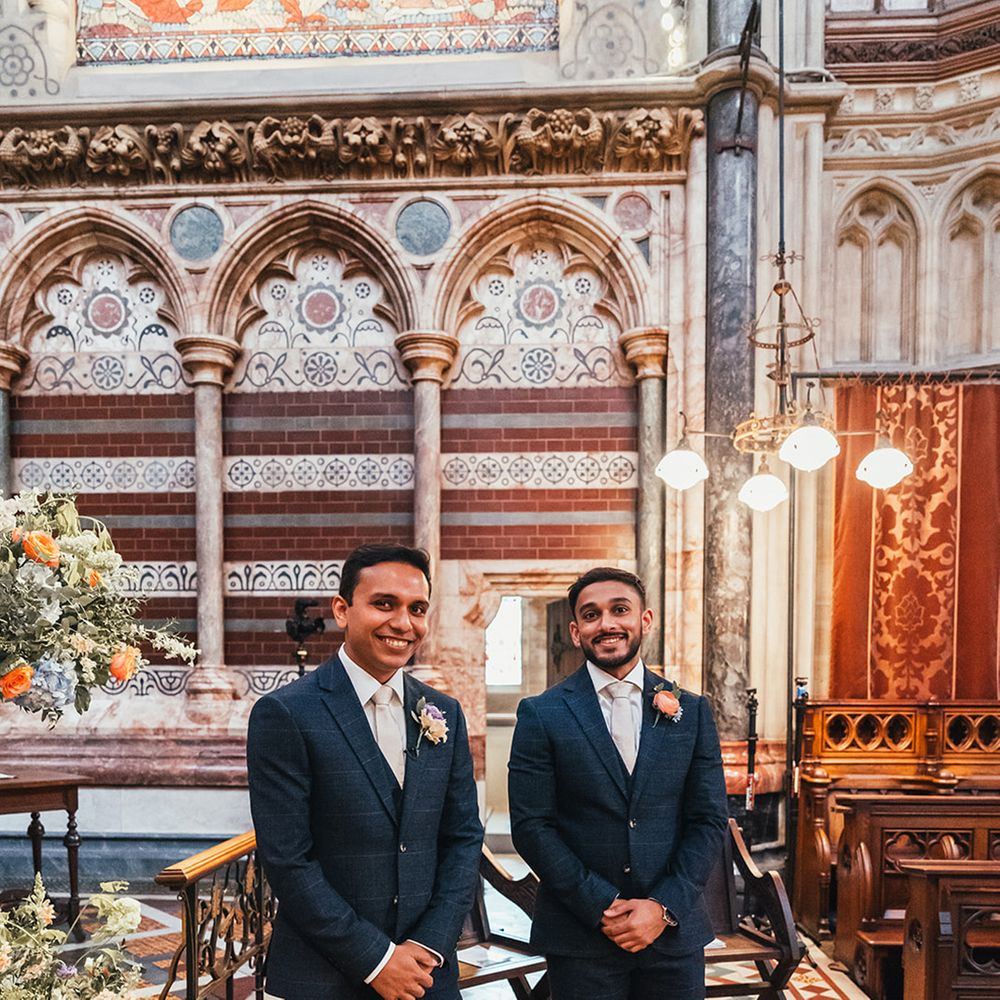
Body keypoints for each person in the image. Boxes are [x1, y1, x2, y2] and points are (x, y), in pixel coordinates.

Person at [247, 543, 484, 1000]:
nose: (403, 623)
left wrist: (428, 945)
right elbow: (289, 861)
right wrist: (376, 960)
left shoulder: (444, 713)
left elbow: (463, 838)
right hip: (323, 975)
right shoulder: (286, 714)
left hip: (426, 975)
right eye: (384, 604)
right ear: (342, 610)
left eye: (417, 609)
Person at [508, 567, 728, 1000]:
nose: (606, 623)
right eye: (591, 615)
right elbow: (532, 826)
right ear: (576, 631)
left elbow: (708, 819)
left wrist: (662, 907)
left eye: (619, 610)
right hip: (581, 935)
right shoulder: (541, 714)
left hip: (674, 934)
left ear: (644, 620)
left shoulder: (693, 711)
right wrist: (600, 905)